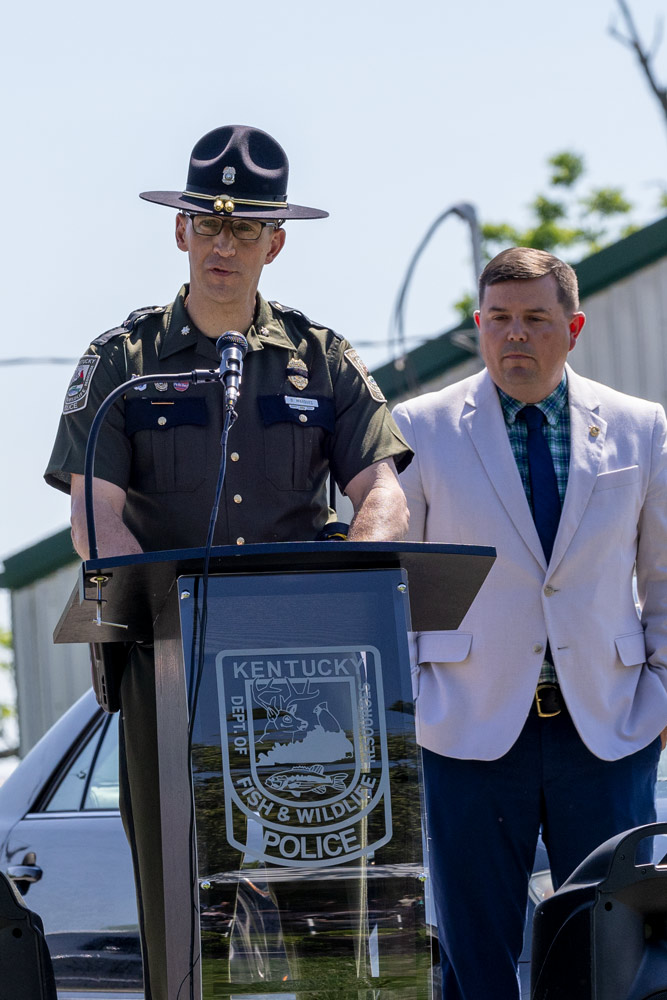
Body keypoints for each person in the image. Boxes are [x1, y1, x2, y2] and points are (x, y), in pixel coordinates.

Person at [45, 124, 412, 999]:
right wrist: (168, 611)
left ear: (274, 244)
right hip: (169, 672)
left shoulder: (321, 359)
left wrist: (351, 584)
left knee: (326, 912)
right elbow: (94, 520)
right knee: (185, 907)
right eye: (206, 225)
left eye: (244, 228)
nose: (223, 243)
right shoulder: (121, 364)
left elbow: (383, 492)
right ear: (179, 233)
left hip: (314, 677)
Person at [392, 246, 667, 1000]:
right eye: (498, 319)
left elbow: (663, 577)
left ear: (571, 327)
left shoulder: (641, 429)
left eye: (535, 319)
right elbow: (394, 587)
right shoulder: (418, 427)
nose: (514, 335)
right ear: (480, 325)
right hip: (467, 729)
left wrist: (661, 696)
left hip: (605, 731)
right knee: (474, 957)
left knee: (604, 951)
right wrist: (416, 698)